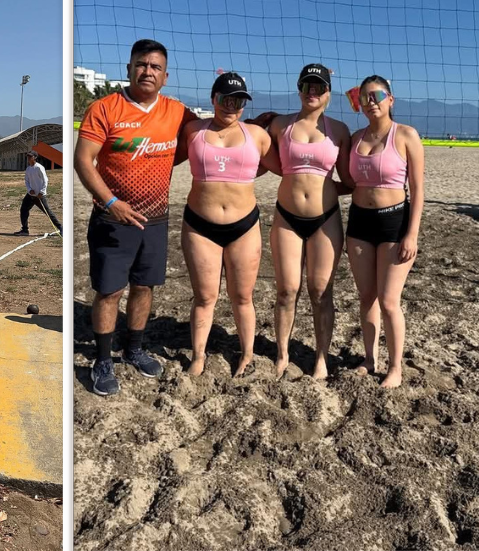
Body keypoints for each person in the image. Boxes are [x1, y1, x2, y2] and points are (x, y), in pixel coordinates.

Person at [75, 39, 198, 396]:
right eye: (141, 64)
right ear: (129, 69)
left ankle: (134, 349)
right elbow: (83, 160)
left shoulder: (178, 112)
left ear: (165, 76)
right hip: (113, 218)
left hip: (155, 218)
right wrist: (111, 201)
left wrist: (260, 126)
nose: (147, 71)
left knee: (144, 287)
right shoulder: (105, 108)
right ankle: (102, 360)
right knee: (110, 291)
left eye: (155, 67)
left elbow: (208, 135)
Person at [255, 63, 353, 379]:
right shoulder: (279, 125)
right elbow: (259, 155)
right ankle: (282, 354)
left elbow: (349, 181)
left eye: (319, 87)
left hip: (326, 219)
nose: (312, 92)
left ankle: (321, 358)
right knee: (287, 290)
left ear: (328, 93)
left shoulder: (339, 130)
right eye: (307, 86)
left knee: (321, 292)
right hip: (287, 218)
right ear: (299, 89)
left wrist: (323, 187)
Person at [177, 72, 272, 377]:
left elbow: (283, 167)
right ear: (213, 99)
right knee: (205, 297)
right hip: (199, 226)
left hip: (244, 226)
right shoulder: (193, 130)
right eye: (224, 99)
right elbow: (164, 157)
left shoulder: (257, 134)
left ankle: (247, 354)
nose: (231, 106)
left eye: (238, 101)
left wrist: (241, 177)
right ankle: (198, 356)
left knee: (242, 297)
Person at [342, 75, 424, 388]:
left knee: (389, 301)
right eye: (364, 97)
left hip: (395, 223)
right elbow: (347, 182)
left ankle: (395, 367)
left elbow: (418, 189)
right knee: (367, 297)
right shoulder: (355, 137)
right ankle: (369, 359)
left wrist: (412, 234)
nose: (370, 102)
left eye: (376, 95)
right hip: (359, 222)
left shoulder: (405, 135)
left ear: (390, 100)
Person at [17, 150, 61, 235]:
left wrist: (42, 192)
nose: (28, 158)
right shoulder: (28, 169)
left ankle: (61, 228)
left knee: (47, 212)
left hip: (39, 195)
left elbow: (45, 180)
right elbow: (27, 181)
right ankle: (25, 229)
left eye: (30, 156)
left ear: (35, 157)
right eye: (28, 156)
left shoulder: (39, 167)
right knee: (24, 209)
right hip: (30, 195)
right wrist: (29, 190)